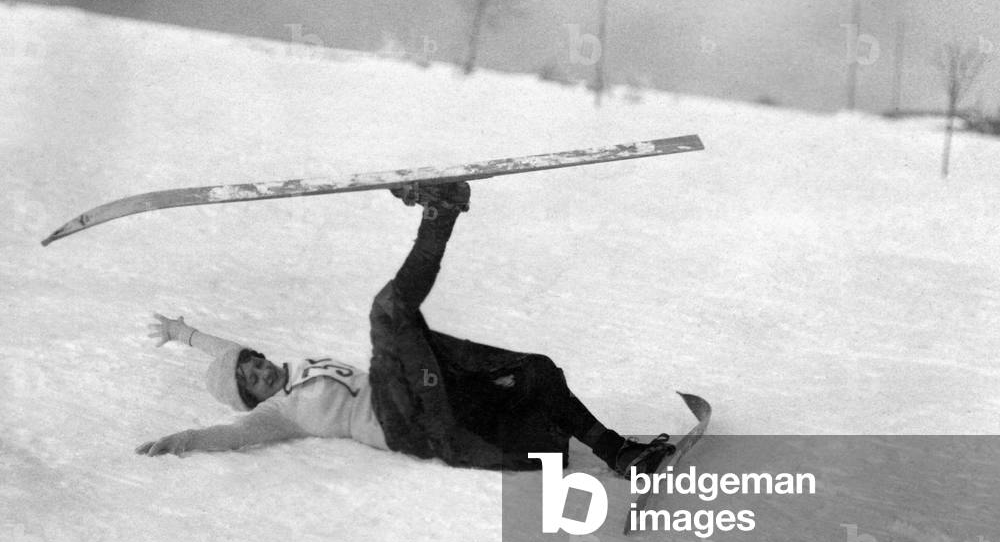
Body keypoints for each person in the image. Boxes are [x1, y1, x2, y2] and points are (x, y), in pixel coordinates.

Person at [136, 182, 675, 476]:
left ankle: (620, 453)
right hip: (405, 423)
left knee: (534, 372)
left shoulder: (295, 369)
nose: (258, 367)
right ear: (251, 399)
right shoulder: (275, 415)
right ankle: (442, 211)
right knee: (390, 314)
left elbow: (226, 351)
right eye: (250, 378)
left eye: (253, 360)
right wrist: (180, 441)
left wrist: (184, 334)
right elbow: (230, 437)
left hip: (423, 397)